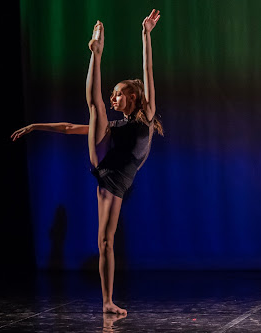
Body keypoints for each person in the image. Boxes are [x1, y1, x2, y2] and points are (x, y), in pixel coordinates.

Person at [11, 9, 163, 314]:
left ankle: (107, 302)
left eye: (120, 94)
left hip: (113, 180)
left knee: (105, 244)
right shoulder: (114, 127)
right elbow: (70, 128)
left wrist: (146, 34)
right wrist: (35, 126)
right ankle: (96, 53)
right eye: (114, 94)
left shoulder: (145, 117)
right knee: (95, 111)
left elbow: (148, 70)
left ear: (135, 98)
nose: (115, 98)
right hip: (107, 169)